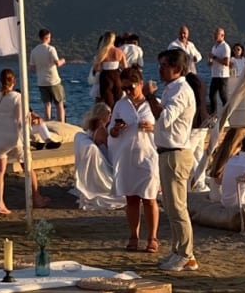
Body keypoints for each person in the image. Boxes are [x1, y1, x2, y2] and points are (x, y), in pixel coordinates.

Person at [146, 49, 199, 271]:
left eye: (164, 65)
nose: (160, 69)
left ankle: (186, 254)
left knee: (178, 208)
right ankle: (178, 250)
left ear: (177, 68)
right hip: (167, 152)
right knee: (170, 207)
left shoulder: (181, 90)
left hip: (176, 153)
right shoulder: (172, 88)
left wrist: (150, 97)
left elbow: (165, 118)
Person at [109, 67, 160, 252]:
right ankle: (133, 236)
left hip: (148, 156)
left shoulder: (153, 103)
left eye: (130, 87)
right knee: (131, 199)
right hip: (127, 157)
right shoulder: (120, 105)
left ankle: (152, 237)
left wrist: (153, 128)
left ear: (140, 84)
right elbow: (110, 131)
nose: (128, 92)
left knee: (149, 198)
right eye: (124, 88)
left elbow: (166, 127)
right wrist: (115, 130)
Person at [0, 68, 34, 215]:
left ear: (0, 80)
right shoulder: (17, 96)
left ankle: (0, 204)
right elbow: (20, 120)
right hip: (13, 136)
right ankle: (37, 198)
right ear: (14, 81)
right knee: (27, 166)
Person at [71, 102, 120, 211]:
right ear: (102, 115)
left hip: (103, 160)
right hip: (107, 164)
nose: (111, 116)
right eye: (108, 113)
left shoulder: (91, 128)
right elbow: (112, 148)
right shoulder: (101, 130)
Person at [30, 27, 67, 121]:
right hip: (53, 80)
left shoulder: (34, 51)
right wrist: (63, 60)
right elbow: (57, 63)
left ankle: (47, 122)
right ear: (47, 37)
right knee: (59, 103)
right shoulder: (51, 49)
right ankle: (61, 123)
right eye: (50, 37)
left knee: (47, 104)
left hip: (41, 82)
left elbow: (32, 69)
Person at [90, 32, 126, 108]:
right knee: (118, 97)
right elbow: (125, 67)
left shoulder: (102, 53)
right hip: (117, 75)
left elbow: (97, 68)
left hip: (105, 76)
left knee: (107, 99)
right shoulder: (119, 52)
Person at [208, 27, 232, 114]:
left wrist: (214, 57)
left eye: (217, 34)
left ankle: (226, 114)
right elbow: (213, 60)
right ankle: (213, 115)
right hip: (215, 74)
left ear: (222, 36)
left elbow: (226, 62)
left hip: (222, 75)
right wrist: (210, 62)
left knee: (223, 96)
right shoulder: (214, 47)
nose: (215, 36)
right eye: (214, 34)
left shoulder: (225, 47)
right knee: (211, 95)